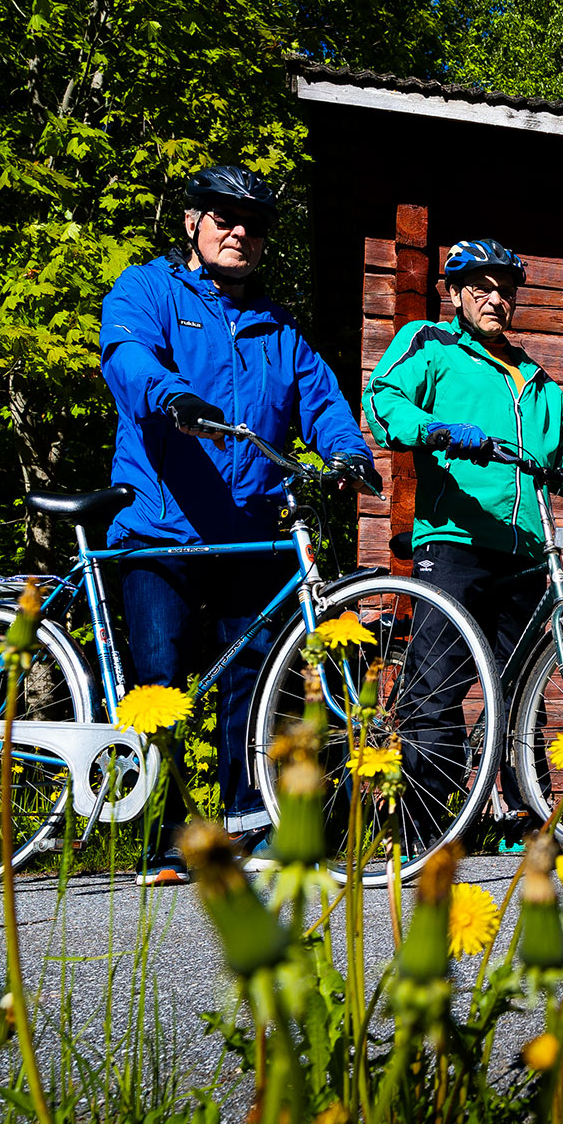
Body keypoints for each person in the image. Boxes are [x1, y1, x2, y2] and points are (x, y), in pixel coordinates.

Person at [100, 164, 380, 885]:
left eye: (253, 223)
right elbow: (126, 356)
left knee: (252, 684)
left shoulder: (278, 330)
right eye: (224, 215)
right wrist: (172, 396)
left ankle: (244, 828)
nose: (239, 231)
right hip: (161, 522)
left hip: (253, 528)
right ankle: (166, 841)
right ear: (192, 222)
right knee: (158, 682)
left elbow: (320, 401)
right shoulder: (148, 290)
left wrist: (348, 451)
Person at [363, 239, 563, 845]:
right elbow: (383, 400)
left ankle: (525, 820)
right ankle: (425, 830)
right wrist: (434, 430)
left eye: (504, 289)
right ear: (455, 294)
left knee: (521, 689)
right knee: (437, 684)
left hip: (524, 552)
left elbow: (558, 458)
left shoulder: (539, 382)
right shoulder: (432, 344)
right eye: (478, 287)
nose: (493, 298)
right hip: (453, 540)